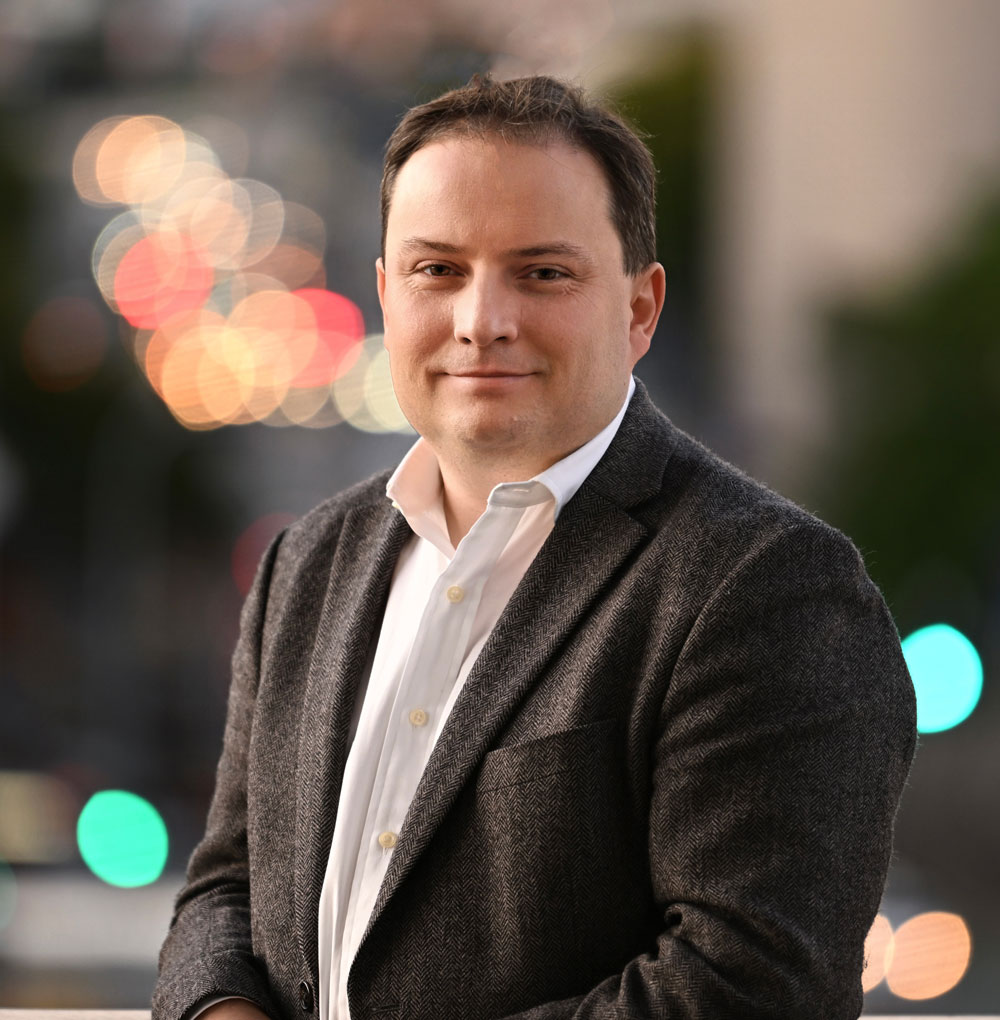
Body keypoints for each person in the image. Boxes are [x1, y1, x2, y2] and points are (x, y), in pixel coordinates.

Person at [153, 74, 916, 1020]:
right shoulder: (310, 560)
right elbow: (228, 885)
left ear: (639, 310)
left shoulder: (770, 587)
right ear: (389, 293)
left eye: (543, 273)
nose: (483, 321)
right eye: (439, 271)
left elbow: (752, 989)